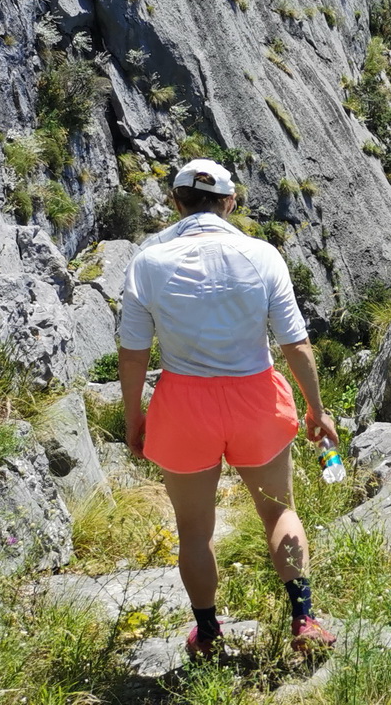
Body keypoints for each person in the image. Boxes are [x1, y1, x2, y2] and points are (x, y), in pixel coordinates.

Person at [117, 158, 339, 658]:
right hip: (255, 397)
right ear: (231, 202)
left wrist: (135, 418)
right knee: (278, 510)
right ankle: (303, 619)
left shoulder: (148, 262)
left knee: (194, 530)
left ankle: (208, 633)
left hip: (183, 401)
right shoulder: (262, 256)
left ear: (176, 202)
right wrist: (316, 409)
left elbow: (133, 354)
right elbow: (295, 344)